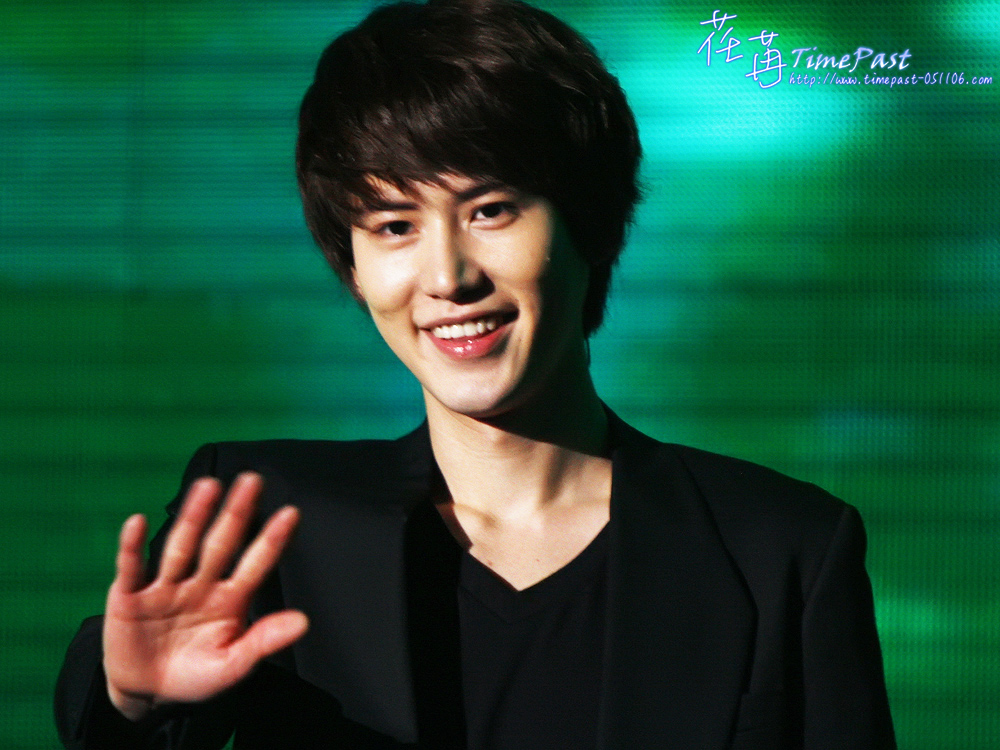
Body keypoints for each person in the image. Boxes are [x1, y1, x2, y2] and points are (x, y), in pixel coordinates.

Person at [54, 1, 896, 748]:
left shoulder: (780, 552)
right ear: (352, 265)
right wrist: (131, 701)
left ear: (590, 225)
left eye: (491, 210)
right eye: (394, 225)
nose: (448, 275)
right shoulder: (267, 525)